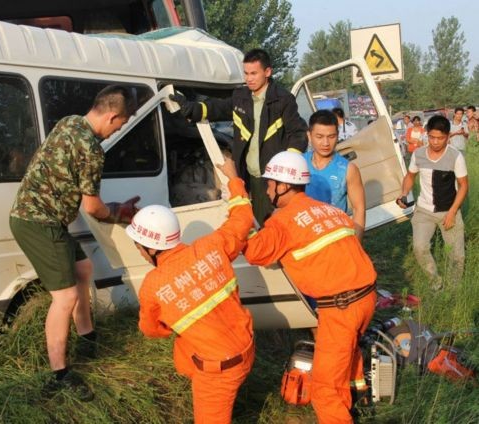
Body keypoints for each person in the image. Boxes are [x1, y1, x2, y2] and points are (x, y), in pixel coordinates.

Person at [9, 85, 139, 401]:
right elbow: (93, 208)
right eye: (121, 124)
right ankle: (60, 374)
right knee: (65, 297)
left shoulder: (68, 122)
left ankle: (87, 337)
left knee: (83, 268)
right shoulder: (92, 150)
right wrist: (120, 213)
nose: (118, 130)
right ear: (112, 116)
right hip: (38, 223)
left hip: (38, 216)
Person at [243, 151, 377, 423]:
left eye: (270, 183)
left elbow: (255, 252)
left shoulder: (283, 221)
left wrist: (239, 211)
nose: (267, 188)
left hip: (341, 309)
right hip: (366, 298)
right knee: (347, 353)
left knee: (324, 388)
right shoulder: (329, 210)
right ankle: (355, 398)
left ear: (283, 186)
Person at [126, 157, 254, 424]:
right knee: (185, 349)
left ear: (151, 248)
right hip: (247, 346)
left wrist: (174, 319)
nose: (138, 250)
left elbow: (152, 330)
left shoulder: (153, 285)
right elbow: (242, 218)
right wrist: (233, 178)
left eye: (138, 245)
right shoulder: (212, 246)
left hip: (219, 371)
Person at [170, 48, 308, 225]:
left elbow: (298, 133)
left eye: (254, 73)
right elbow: (217, 108)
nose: (249, 78)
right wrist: (192, 108)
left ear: (267, 72)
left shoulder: (283, 100)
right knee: (247, 222)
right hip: (246, 176)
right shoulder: (240, 96)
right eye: (246, 73)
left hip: (272, 179)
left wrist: (287, 169)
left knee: (273, 225)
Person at [397, 115, 468, 287]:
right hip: (424, 211)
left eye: (440, 138)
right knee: (420, 248)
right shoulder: (419, 154)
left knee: (457, 256)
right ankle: (435, 282)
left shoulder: (455, 156)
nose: (436, 142)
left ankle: (453, 289)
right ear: (427, 134)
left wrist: (452, 213)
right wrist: (404, 193)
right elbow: (410, 176)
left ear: (448, 136)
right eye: (432, 137)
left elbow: (464, 186)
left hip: (448, 210)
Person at [304, 110, 366, 241]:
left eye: (331, 137)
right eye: (319, 137)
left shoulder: (348, 169)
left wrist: (356, 245)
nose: (326, 143)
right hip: (303, 239)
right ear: (309, 136)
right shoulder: (299, 164)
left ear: (338, 136)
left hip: (335, 240)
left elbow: (358, 208)